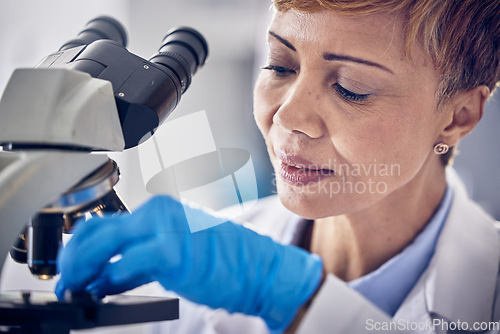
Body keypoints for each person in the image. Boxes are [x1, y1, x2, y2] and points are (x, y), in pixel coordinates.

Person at [56, 0, 500, 333]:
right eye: (280, 66)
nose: (288, 117)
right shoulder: (197, 274)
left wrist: (300, 301)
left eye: (352, 89)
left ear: (458, 116)